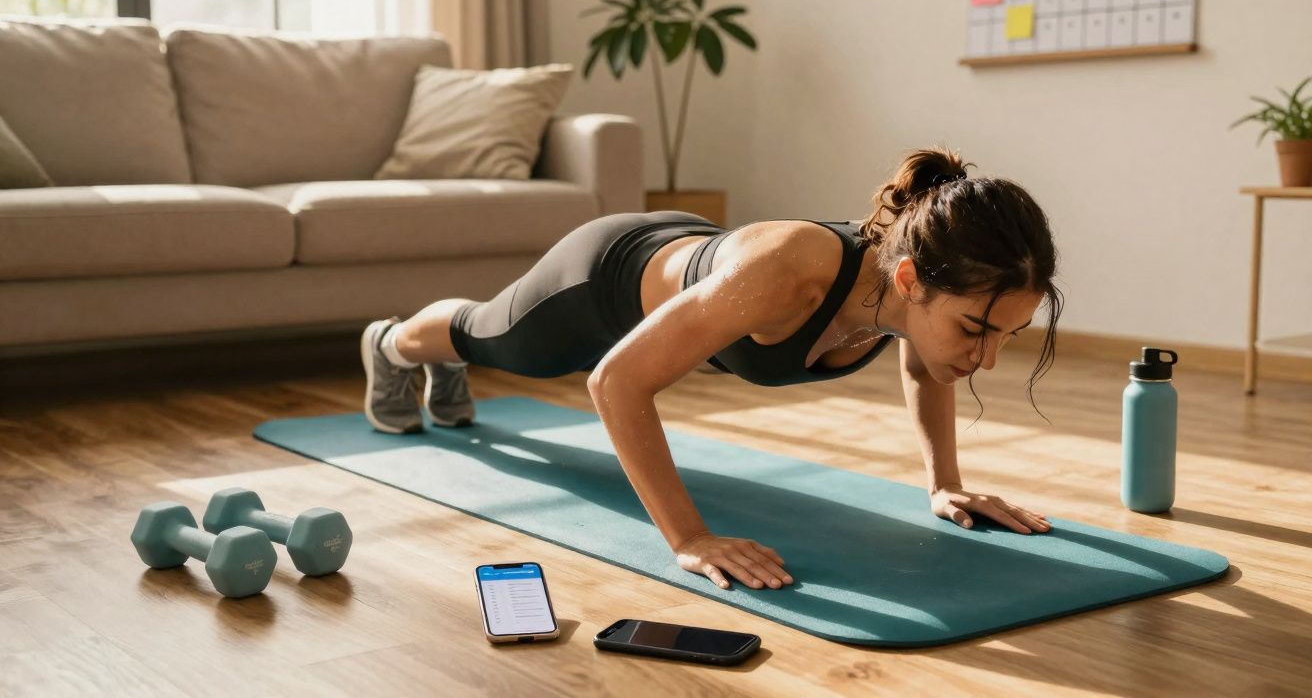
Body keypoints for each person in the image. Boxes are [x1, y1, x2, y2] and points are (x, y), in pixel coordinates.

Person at [360, 147, 1063, 591]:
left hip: (682, 268)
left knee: (485, 345)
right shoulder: (788, 277)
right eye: (975, 330)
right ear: (910, 281)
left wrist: (945, 484)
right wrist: (689, 539)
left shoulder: (904, 289)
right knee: (486, 336)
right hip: (597, 283)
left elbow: (922, 367)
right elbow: (616, 380)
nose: (986, 359)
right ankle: (391, 343)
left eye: (1009, 335)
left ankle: (433, 364)